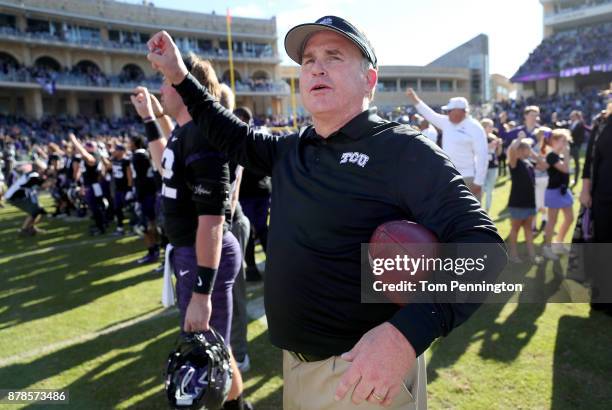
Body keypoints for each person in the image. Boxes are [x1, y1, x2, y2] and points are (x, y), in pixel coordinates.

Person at [146, 16, 506, 409]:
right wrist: (179, 75)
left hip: (363, 375)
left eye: (334, 56)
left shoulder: (402, 151)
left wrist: (406, 334)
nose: (316, 66)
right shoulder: (292, 149)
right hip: (296, 366)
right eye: (308, 60)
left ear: (369, 80)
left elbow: (485, 252)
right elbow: (231, 133)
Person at [130, 54, 250, 410]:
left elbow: (212, 220)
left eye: (167, 81)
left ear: (187, 86)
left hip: (203, 256)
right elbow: (161, 164)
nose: (161, 89)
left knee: (211, 355)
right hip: (192, 253)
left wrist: (201, 292)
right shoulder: (185, 130)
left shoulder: (202, 134)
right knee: (216, 351)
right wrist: (150, 119)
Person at [406, 89, 488, 200]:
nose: (447, 113)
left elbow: (482, 155)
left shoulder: (475, 127)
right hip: (449, 177)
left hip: (468, 178)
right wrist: (415, 99)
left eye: (450, 111)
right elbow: (430, 114)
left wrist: (479, 182)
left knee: (468, 216)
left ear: (461, 111)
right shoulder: (447, 122)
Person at [580, 93, 612, 315]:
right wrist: (585, 188)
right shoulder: (602, 121)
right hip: (603, 194)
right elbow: (591, 158)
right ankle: (601, 299)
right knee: (602, 244)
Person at [234, 107, 270, 282]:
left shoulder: (243, 138)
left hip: (251, 192)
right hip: (258, 190)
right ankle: (262, 267)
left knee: (254, 231)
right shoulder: (258, 136)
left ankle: (255, 268)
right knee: (260, 230)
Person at [506, 132, 546, 263]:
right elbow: (512, 150)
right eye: (528, 148)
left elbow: (543, 165)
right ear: (521, 150)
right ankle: (513, 255)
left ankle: (532, 255)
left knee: (529, 228)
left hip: (530, 202)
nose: (531, 149)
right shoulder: (514, 163)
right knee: (515, 229)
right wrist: (519, 139)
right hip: (517, 202)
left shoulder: (529, 162)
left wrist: (533, 155)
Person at [541, 129, 575, 260]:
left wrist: (565, 155)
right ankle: (547, 248)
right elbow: (565, 169)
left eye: (566, 141)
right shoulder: (551, 156)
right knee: (552, 221)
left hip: (563, 191)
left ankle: (558, 242)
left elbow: (566, 170)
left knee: (570, 218)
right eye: (562, 141)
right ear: (553, 141)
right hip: (554, 192)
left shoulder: (560, 156)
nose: (565, 144)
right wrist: (566, 154)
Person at [129, 135, 160, 264]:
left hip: (145, 194)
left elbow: (141, 179)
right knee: (150, 223)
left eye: (130, 142)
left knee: (145, 225)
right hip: (149, 193)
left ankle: (153, 251)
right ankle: (155, 250)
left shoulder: (138, 156)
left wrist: (138, 196)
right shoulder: (144, 154)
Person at [69, 134, 107, 235]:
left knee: (96, 207)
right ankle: (101, 224)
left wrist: (75, 142)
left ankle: (101, 227)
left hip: (93, 186)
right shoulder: (91, 156)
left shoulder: (94, 156)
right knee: (96, 206)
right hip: (92, 185)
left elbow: (86, 156)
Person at [5, 162, 48, 236]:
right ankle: (24, 229)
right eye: (43, 169)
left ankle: (31, 227)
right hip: (15, 197)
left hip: (19, 196)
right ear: (38, 169)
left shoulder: (33, 174)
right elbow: (42, 186)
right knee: (35, 211)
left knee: (40, 210)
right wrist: (51, 180)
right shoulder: (33, 175)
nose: (44, 171)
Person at [109, 144, 132, 235]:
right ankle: (120, 227)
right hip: (118, 189)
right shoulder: (114, 160)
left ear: (122, 151)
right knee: (117, 209)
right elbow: (109, 167)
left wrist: (130, 189)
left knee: (130, 209)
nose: (115, 151)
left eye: (117, 150)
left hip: (125, 189)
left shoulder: (126, 161)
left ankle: (133, 227)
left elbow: (129, 176)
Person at [481, 118, 502, 213]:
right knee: (480, 189)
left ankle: (487, 211)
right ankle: (478, 209)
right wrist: (488, 146)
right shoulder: (478, 137)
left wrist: (499, 145)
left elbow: (498, 153)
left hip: (493, 165)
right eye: (490, 126)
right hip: (481, 166)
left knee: (490, 189)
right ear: (484, 127)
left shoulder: (494, 137)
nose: (492, 128)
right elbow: (477, 151)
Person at [533, 127, 551, 232]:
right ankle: (542, 221)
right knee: (541, 203)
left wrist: (541, 166)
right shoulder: (547, 148)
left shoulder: (538, 148)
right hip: (541, 178)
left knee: (539, 203)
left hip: (542, 178)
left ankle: (540, 223)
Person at [569, 110, 586, 187]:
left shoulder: (580, 124)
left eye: (572, 116)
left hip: (575, 146)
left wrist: (577, 145)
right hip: (570, 146)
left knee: (576, 163)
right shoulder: (572, 124)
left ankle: (575, 180)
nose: (571, 117)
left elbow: (581, 137)